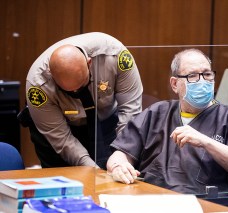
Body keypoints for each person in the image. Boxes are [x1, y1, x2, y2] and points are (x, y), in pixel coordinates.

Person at [107, 48, 228, 194]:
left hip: (204, 204)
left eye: (207, 74)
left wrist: (206, 142)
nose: (202, 81)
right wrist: (118, 166)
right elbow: (119, 154)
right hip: (151, 199)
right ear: (174, 84)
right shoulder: (157, 113)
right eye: (192, 76)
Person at [23, 32, 143, 169]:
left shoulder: (114, 56)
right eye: (69, 91)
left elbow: (130, 111)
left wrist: (121, 157)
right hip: (63, 128)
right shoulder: (38, 85)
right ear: (52, 75)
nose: (76, 92)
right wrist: (94, 171)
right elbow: (63, 140)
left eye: (81, 85)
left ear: (89, 63)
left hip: (106, 122)